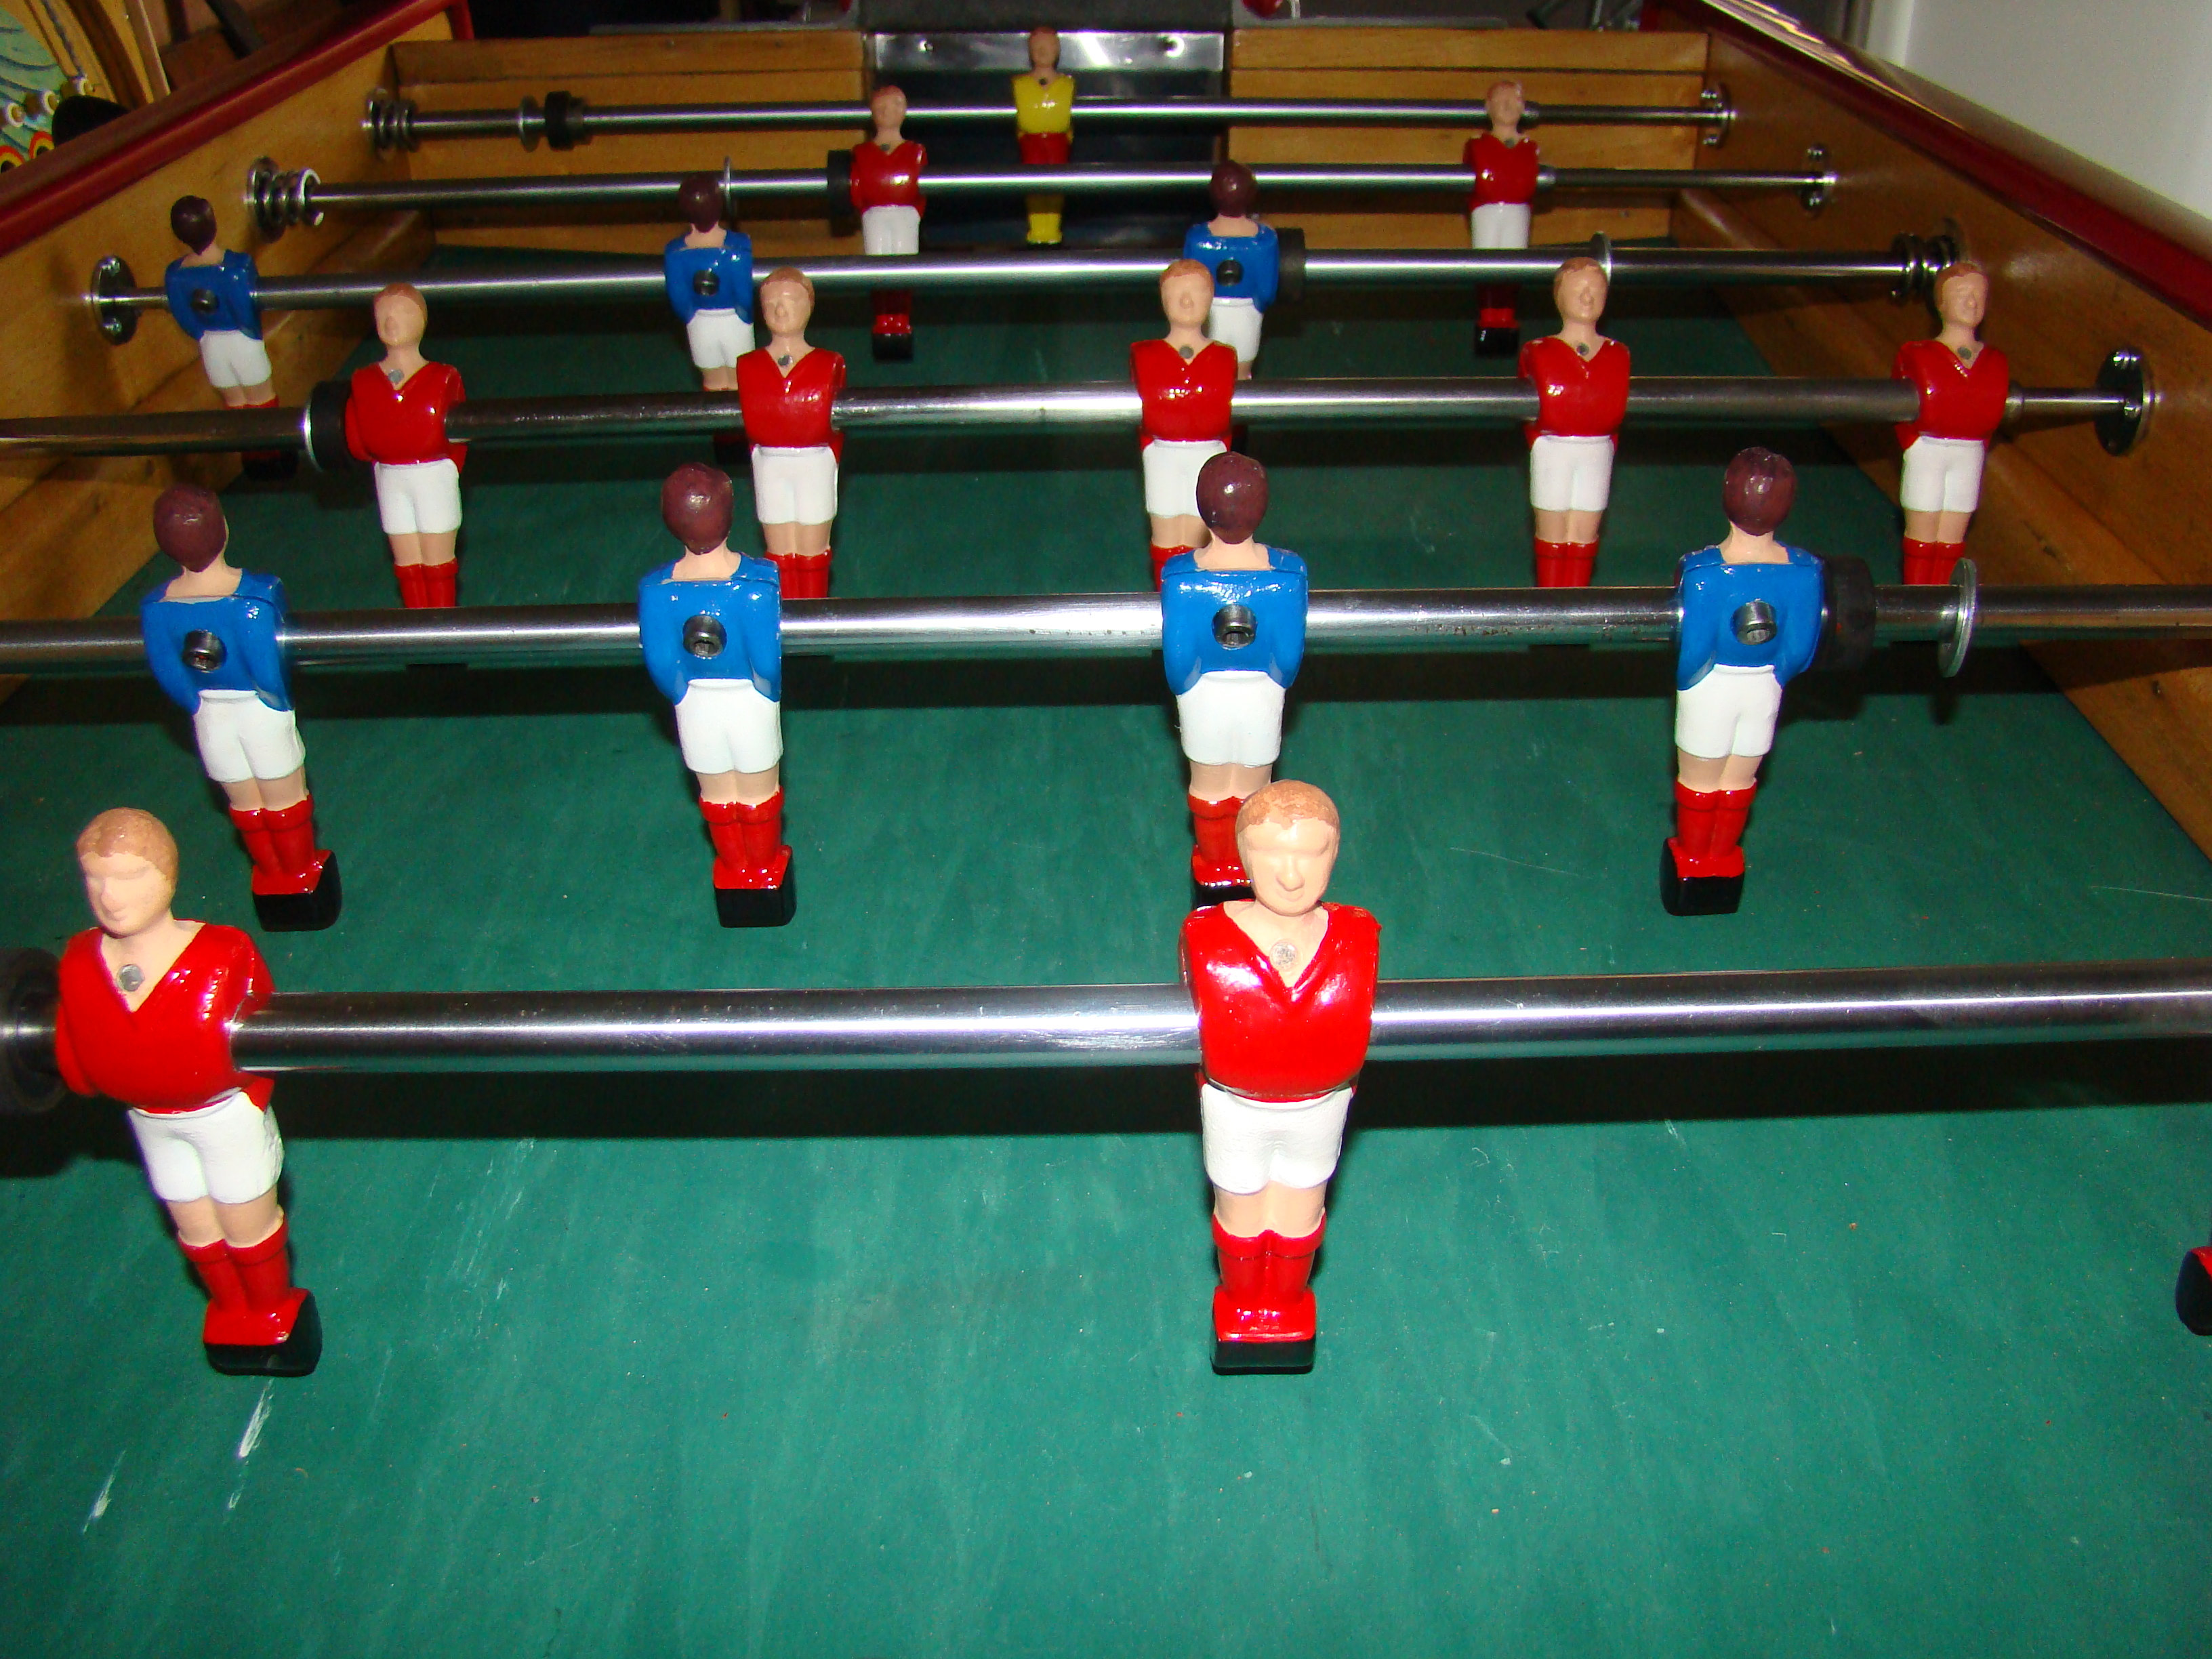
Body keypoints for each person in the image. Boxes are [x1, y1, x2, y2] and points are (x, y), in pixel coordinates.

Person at [51, 808, 321, 1376]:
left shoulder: (224, 954)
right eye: (96, 879)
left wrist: (250, 1103)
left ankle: (270, 1311)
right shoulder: (77, 962)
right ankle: (232, 1310)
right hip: (151, 1122)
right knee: (196, 1227)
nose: (109, 896)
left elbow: (271, 1033)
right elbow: (74, 1051)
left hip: (222, 1117)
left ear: (167, 877)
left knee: (246, 1224)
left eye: (129, 877)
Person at [1180, 781, 1379, 1373]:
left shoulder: (1357, 936)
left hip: (1318, 1108)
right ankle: (1243, 1305)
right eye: (1272, 855)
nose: (1291, 876)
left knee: (1299, 1212)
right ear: (1244, 856)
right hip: (1236, 1108)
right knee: (1241, 1210)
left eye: (1310, 854)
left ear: (1335, 854)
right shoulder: (1206, 937)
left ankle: (1286, 1306)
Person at [138, 485, 339, 930]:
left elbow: (169, 672)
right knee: (284, 797)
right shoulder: (257, 596)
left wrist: (197, 704)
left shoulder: (156, 607)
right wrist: (278, 703)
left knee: (245, 801)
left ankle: (269, 875)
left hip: (211, 713)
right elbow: (268, 665)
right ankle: (298, 874)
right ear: (224, 530)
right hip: (258, 706)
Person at [1665, 447, 1826, 916]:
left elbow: (1694, 645)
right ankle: (1723, 859)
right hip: (1765, 687)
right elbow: (1801, 647)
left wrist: (1690, 684)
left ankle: (1694, 859)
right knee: (1740, 778)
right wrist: (1775, 674)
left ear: (1728, 496)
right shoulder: (1805, 572)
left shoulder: (1703, 572)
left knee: (1700, 778)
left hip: (1711, 684)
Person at [638, 463, 794, 926]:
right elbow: (766, 662)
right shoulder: (758, 586)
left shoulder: (657, 591)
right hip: (748, 698)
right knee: (758, 789)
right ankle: (762, 869)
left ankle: (734, 868)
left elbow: (662, 665)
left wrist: (684, 695)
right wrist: (767, 695)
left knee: (717, 790)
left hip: (696, 702)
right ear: (729, 513)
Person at [1162, 454, 1307, 903]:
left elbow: (1179, 660)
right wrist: (1273, 681)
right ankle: (1246, 866)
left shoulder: (1181, 579)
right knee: (1251, 783)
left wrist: (1191, 687)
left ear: (1204, 510)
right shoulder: (1288, 576)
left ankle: (1213, 865)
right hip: (1262, 691)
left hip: (1204, 693)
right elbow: (1288, 656)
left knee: (1209, 782)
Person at [343, 282, 466, 608]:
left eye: (401, 313)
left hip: (432, 474)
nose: (391, 321)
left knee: (437, 558)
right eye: (383, 313)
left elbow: (461, 437)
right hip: (390, 475)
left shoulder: (443, 378)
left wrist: (448, 469)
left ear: (421, 321)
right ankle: (416, 625)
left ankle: (443, 624)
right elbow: (356, 435)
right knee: (407, 561)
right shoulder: (364, 380)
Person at [1892, 261, 2007, 584]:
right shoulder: (1917, 355)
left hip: (1969, 451)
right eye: (1962, 294)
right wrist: (1915, 446)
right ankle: (1917, 598)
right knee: (1923, 528)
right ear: (1940, 303)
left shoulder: (1995, 360)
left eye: (1979, 295)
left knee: (1953, 531)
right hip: (1928, 448)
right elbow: (1899, 411)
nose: (1971, 302)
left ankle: (1941, 595)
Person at [1518, 255, 1630, 587]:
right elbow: (1526, 411)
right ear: (1559, 297)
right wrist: (1540, 442)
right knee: (1552, 525)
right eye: (1578, 289)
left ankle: (1577, 600)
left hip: (1596, 448)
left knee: (1585, 528)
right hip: (1554, 448)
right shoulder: (1538, 351)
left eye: (1596, 289)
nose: (1587, 297)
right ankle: (1551, 600)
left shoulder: (1618, 353)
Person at [735, 268, 846, 598]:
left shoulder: (829, 363)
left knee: (812, 545)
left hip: (813, 461)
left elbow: (837, 428)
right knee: (780, 547)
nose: (781, 310)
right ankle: (787, 612)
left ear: (809, 306)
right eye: (771, 303)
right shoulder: (749, 364)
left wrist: (828, 458)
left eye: (790, 301)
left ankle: (812, 612)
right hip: (770, 461)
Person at [163, 194, 290, 479]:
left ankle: (252, 460)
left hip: (211, 344)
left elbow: (183, 316)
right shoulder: (237, 268)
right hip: (241, 340)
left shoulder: (175, 275)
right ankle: (273, 456)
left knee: (235, 402)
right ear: (213, 224)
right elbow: (246, 309)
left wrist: (203, 335)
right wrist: (252, 335)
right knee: (261, 399)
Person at [1132, 260, 1238, 588]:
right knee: (1165, 531)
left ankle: (1193, 601)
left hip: (1206, 454)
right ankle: (1168, 601)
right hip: (1163, 453)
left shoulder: (1225, 357)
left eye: (1196, 292)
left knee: (1199, 534)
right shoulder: (1146, 354)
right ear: (1163, 299)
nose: (1187, 301)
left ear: (1211, 298)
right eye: (1177, 293)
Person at [1181, 161, 1279, 380]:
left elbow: (1186, 282)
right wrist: (1258, 306)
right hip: (1247, 311)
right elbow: (1267, 291)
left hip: (1208, 309)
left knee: (1207, 365)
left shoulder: (1197, 239)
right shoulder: (1265, 241)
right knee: (1242, 368)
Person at [849, 83, 926, 361]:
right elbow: (855, 187)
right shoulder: (861, 152)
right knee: (878, 269)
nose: (885, 112)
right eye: (880, 108)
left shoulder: (916, 151)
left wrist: (914, 212)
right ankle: (883, 322)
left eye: (892, 106)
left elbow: (923, 189)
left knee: (904, 269)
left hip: (904, 214)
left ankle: (901, 322)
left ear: (903, 111)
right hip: (875, 214)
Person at [1463, 80, 1539, 357]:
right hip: (1486, 210)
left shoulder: (1530, 147)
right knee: (1487, 264)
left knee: (1513, 266)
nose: (1508, 106)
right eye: (1501, 100)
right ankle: (1488, 320)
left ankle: (1506, 321)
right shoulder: (1477, 145)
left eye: (1515, 100)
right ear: (1489, 107)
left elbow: (1525, 183)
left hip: (1516, 210)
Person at [663, 171, 756, 394]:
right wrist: (745, 315)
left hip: (700, 322)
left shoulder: (675, 252)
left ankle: (720, 415)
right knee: (740, 377)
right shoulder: (738, 249)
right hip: (733, 319)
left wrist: (692, 317)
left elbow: (678, 297)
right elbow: (744, 294)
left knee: (713, 379)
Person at [1012, 26, 1074, 245]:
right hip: (1032, 142)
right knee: (1034, 188)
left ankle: (1052, 231)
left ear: (1057, 50)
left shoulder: (1067, 85)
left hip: (1058, 142)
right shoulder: (1021, 84)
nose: (1042, 51)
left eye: (1048, 46)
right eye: (1037, 46)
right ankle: (1038, 232)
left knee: (1056, 188)